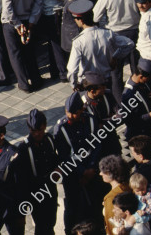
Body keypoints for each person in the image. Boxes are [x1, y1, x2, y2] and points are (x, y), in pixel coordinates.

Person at [53, 94, 103, 234]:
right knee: (72, 207)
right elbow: (64, 155)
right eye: (68, 112)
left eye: (75, 112)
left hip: (92, 170)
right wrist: (82, 172)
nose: (71, 115)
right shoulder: (61, 127)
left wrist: (91, 168)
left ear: (82, 109)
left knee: (95, 202)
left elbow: (96, 145)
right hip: (73, 173)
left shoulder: (91, 121)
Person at [0, 0, 42, 93]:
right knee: (29, 52)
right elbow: (38, 2)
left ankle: (23, 84)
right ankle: (36, 79)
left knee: (15, 54)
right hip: (28, 20)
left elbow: (7, 8)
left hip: (12, 24)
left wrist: (17, 24)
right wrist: (32, 21)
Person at [66, 0, 135, 89]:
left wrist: (74, 84)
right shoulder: (107, 34)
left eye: (75, 19)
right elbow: (129, 43)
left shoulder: (78, 42)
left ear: (81, 21)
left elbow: (72, 70)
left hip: (89, 84)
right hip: (106, 80)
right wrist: (115, 57)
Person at [15, 109, 59, 235]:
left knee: (51, 223)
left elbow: (55, 159)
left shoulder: (49, 140)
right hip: (36, 195)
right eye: (33, 131)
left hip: (50, 189)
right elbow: (21, 181)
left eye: (40, 130)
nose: (37, 134)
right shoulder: (24, 149)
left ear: (45, 126)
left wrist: (58, 169)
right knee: (42, 226)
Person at [121, 59, 151, 140]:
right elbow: (130, 121)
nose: (149, 80)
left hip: (150, 128)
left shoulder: (144, 81)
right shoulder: (128, 95)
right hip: (139, 134)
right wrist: (149, 115)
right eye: (147, 78)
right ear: (141, 76)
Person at [100, 154, 131, 235]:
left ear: (110, 173)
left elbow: (111, 225)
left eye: (103, 171)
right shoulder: (128, 187)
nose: (100, 174)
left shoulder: (110, 197)